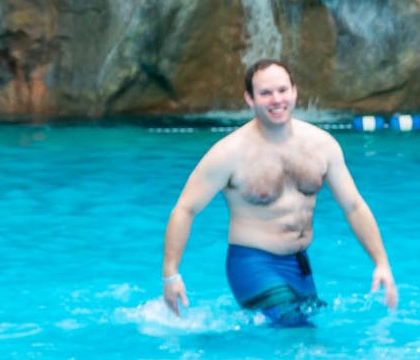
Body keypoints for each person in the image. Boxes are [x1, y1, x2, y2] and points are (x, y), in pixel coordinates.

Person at [159, 58, 397, 326]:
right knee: (298, 332)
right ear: (249, 99)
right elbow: (184, 209)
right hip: (252, 263)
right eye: (265, 93)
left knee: (304, 327)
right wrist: (171, 275)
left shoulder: (322, 145)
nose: (276, 100)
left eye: (282, 90)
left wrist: (381, 263)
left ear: (294, 91)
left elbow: (353, 206)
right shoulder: (229, 154)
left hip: (299, 266)